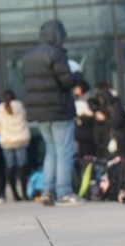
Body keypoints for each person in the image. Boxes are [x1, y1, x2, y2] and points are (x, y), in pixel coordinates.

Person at [22, 19, 82, 206]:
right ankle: (64, 192)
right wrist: (78, 76)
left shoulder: (28, 56)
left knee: (51, 151)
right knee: (64, 151)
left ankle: (47, 190)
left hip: (40, 113)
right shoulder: (56, 54)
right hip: (59, 110)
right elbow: (66, 81)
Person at [0, 90, 32, 202]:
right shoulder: (20, 108)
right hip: (21, 140)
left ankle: (15, 194)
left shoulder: (0, 110)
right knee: (22, 167)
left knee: (10, 168)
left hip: (7, 142)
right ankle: (25, 193)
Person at [89, 83, 125, 160]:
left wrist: (104, 118)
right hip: (104, 140)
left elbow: (116, 122)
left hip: (115, 139)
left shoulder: (114, 105)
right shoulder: (102, 107)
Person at [73, 79, 97, 159]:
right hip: (81, 132)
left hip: (87, 132)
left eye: (76, 88)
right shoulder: (77, 100)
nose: (74, 90)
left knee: (87, 154)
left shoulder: (89, 99)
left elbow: (92, 114)